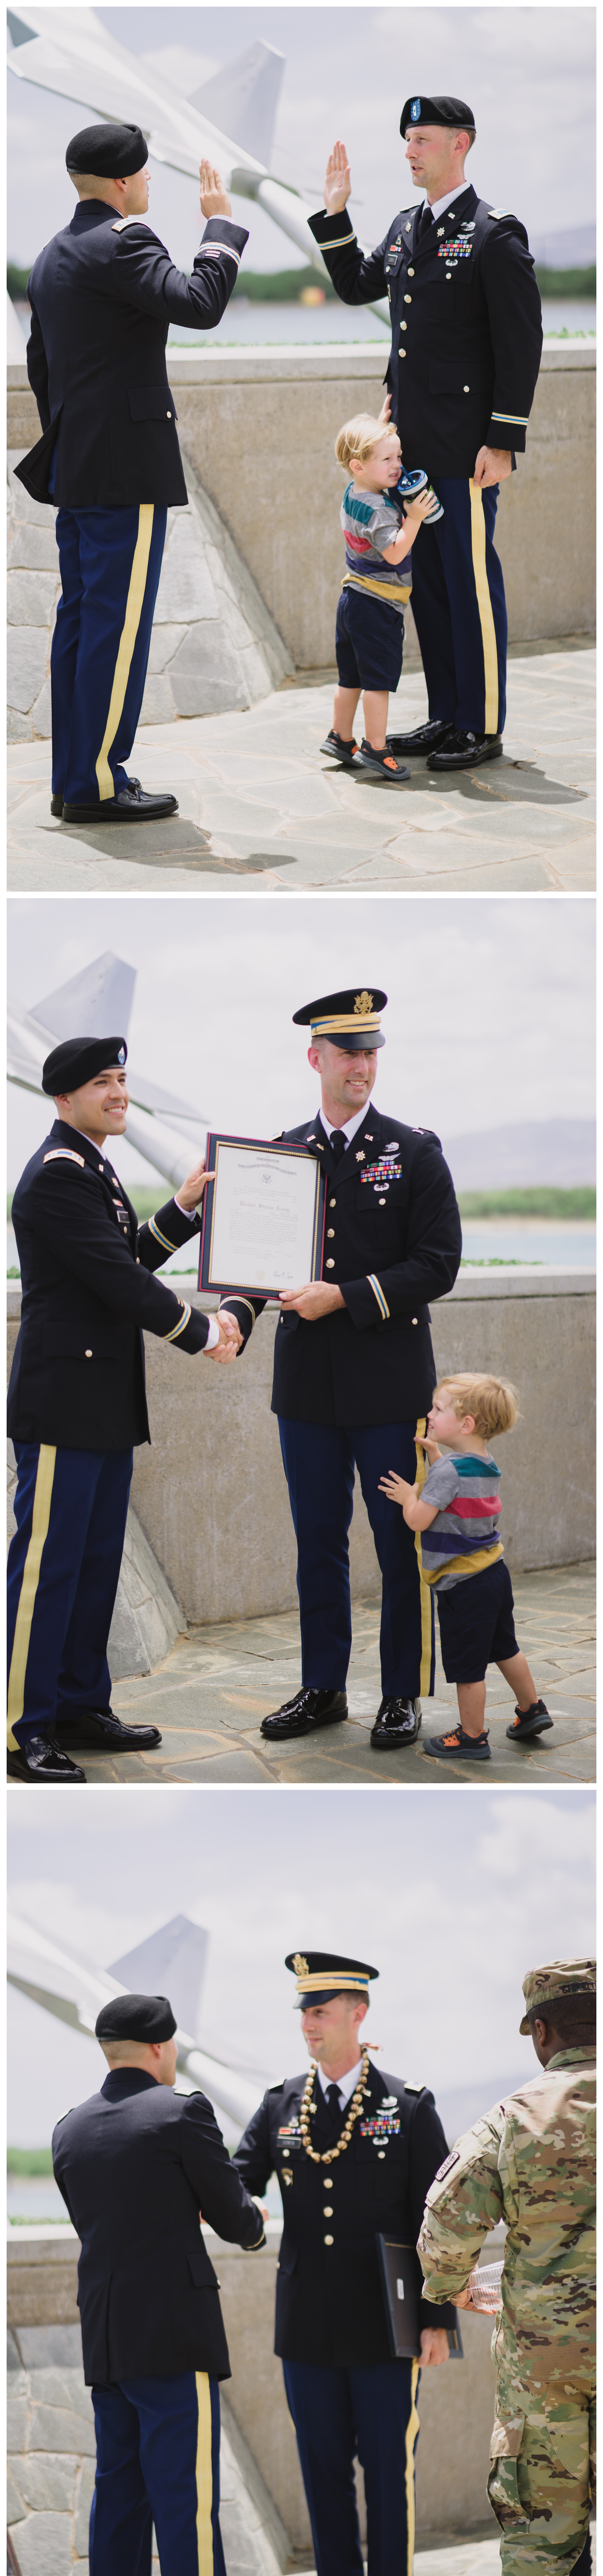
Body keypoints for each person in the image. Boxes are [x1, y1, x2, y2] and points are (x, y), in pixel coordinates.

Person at [223, 986, 461, 1747]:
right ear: (315, 1058)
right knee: (317, 1541)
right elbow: (261, 1263)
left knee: (398, 1540)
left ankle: (400, 1693)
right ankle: (322, 1687)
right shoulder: (282, 1154)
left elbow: (438, 1264)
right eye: (349, 1053)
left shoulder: (414, 1150)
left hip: (389, 1388)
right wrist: (237, 1311)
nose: (363, 1065)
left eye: (371, 1052)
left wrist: (345, 1296)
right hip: (305, 1389)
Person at [7, 1033, 242, 1781]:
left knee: (96, 1565)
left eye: (122, 1079)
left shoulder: (92, 1167)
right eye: (102, 1083)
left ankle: (80, 1703)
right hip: (63, 1405)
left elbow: (126, 1257)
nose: (119, 1094)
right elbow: (119, 1281)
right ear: (63, 1098)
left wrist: (183, 1208)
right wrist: (203, 1332)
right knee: (47, 1570)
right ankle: (24, 1729)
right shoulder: (57, 1175)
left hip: (101, 1403)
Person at [15, 120, 248, 824]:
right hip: (125, 468)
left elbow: (40, 367)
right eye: (146, 175)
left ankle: (76, 776)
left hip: (83, 464)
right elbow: (199, 305)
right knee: (116, 632)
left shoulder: (53, 255)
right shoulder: (126, 242)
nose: (150, 186)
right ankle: (96, 785)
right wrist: (219, 230)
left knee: (83, 625)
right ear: (123, 183)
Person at [234, 1950, 456, 2576]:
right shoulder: (278, 2104)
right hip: (308, 2328)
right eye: (303, 2010)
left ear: (359, 2014)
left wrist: (437, 2319)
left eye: (320, 2010)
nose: (308, 2023)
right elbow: (236, 2185)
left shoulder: (409, 2105)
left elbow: (440, 2219)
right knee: (323, 2471)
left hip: (388, 2327)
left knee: (389, 2474)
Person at [308, 96, 542, 771]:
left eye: (421, 139)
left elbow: (518, 343)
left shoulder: (493, 232)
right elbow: (357, 286)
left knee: (470, 583)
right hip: (412, 445)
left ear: (459, 145)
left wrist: (502, 440)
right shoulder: (406, 225)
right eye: (407, 140)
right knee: (431, 587)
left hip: (467, 449)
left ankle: (482, 723)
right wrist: (334, 214)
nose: (409, 151)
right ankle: (446, 716)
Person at [52, 1989, 267, 2576]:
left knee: (118, 2503)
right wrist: (255, 2214)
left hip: (108, 2342)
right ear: (160, 2048)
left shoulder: (69, 2128)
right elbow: (238, 2221)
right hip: (173, 2342)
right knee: (186, 2508)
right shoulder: (182, 2113)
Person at [417, 1958, 596, 2576]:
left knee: (541, 2535)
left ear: (541, 2031)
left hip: (545, 2371)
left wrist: (453, 2287)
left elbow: (445, 2225)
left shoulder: (513, 2117)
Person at [380, 1371, 553, 1761]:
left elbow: (418, 1520)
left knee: (467, 1665)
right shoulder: (485, 1463)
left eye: (437, 1408)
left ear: (466, 1423)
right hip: (494, 1572)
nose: (429, 1413)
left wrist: (410, 1495)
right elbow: (460, 1495)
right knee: (505, 1646)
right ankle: (531, 1709)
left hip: (463, 1584)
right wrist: (437, 1456)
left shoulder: (447, 1473)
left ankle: (472, 1735)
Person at [321, 414, 440, 782]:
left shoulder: (354, 492)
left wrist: (379, 426)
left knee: (351, 679)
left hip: (352, 599)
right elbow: (394, 553)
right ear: (359, 464)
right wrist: (415, 518)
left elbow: (366, 452)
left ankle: (341, 738)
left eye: (399, 456)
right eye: (388, 460)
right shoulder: (381, 510)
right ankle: (376, 747)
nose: (398, 466)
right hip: (377, 605)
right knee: (377, 683)